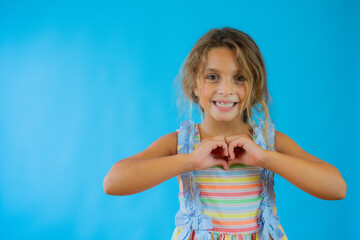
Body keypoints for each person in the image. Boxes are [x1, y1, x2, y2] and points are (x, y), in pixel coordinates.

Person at [103, 27, 347, 240]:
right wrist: (190, 161)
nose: (225, 89)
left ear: (254, 87)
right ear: (194, 86)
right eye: (212, 77)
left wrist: (264, 157)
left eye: (239, 78)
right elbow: (113, 182)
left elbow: (337, 187)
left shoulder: (269, 141)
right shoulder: (181, 143)